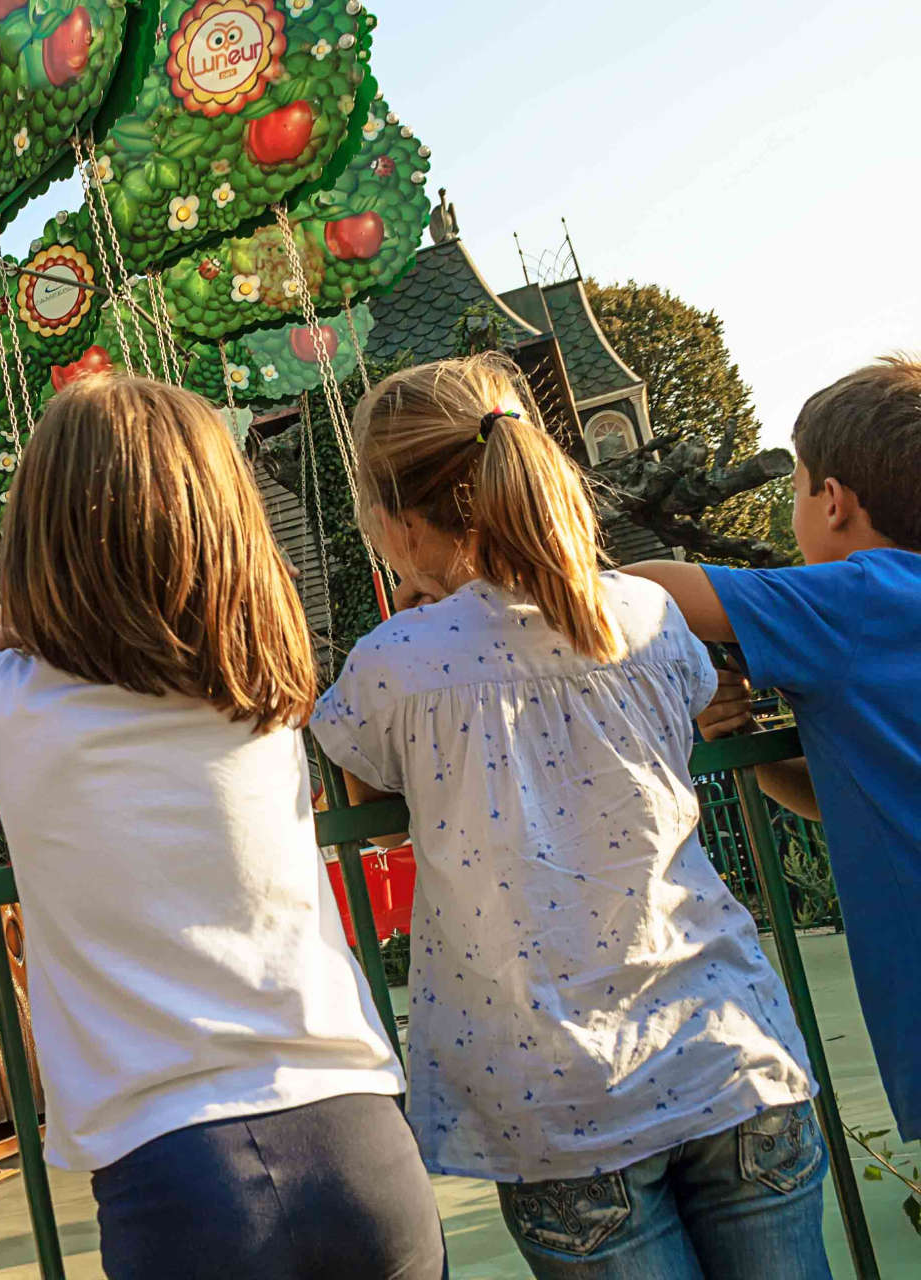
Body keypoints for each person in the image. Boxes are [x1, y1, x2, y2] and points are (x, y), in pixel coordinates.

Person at [311, 354, 828, 1279]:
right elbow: (688, 710)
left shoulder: (395, 665)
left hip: (563, 1102)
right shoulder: (646, 615)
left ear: (393, 516)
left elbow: (374, 815)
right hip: (734, 1052)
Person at [0, 376, 444, 1280]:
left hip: (177, 1167)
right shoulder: (267, 689)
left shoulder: (16, 704)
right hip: (363, 1132)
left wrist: (35, 618)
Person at [623, 355, 920, 1148]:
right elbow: (854, 798)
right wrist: (752, 750)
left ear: (833, 502)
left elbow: (647, 591)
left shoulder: (858, 598)